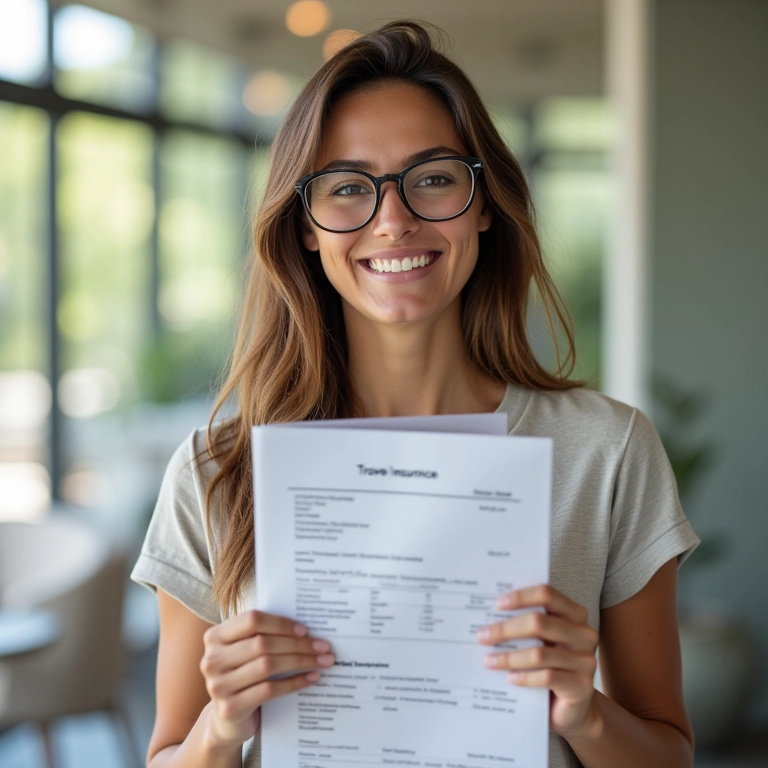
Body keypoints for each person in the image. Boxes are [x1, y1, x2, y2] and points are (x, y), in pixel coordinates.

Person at [131, 20, 699, 768]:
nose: (393, 220)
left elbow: (668, 754)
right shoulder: (215, 470)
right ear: (305, 225)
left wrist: (584, 713)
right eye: (346, 188)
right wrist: (221, 728)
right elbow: (169, 755)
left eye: (433, 177)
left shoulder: (608, 449)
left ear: (484, 201)